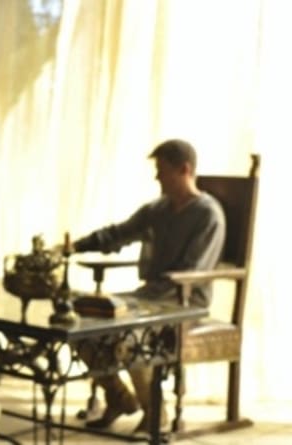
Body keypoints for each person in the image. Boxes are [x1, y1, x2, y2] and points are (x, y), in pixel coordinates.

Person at [71, 139, 225, 434]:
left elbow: (192, 272)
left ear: (184, 170)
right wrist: (74, 246)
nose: (157, 177)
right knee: (81, 324)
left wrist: (136, 306)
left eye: (162, 170)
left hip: (185, 305)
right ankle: (119, 398)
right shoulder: (158, 209)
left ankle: (156, 413)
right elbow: (118, 234)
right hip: (147, 298)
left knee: (129, 336)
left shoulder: (208, 215)